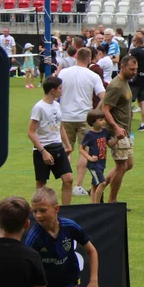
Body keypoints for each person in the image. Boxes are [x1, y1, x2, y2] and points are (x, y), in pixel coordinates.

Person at [57, 48, 107, 196]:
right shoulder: (92, 75)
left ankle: (66, 180)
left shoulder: (64, 73)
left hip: (65, 116)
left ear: (76, 57)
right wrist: (95, 111)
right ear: (89, 58)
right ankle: (78, 185)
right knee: (84, 151)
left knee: (67, 149)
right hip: (84, 117)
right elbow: (104, 96)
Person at [27, 76, 74, 206]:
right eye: (60, 88)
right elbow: (30, 132)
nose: (62, 91)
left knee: (68, 179)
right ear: (52, 90)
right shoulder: (39, 108)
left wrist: (68, 145)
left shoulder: (57, 105)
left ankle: (66, 211)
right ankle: (38, 210)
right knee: (41, 184)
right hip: (43, 149)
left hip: (58, 147)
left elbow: (61, 126)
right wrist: (43, 152)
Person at [102, 55, 137, 202]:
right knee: (122, 166)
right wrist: (116, 128)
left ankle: (100, 185)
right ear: (122, 67)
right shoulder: (116, 85)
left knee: (128, 164)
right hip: (117, 133)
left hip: (126, 132)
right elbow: (105, 109)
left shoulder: (125, 82)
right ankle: (112, 201)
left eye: (136, 69)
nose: (134, 72)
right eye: (131, 69)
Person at [80, 109, 115, 203]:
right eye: (100, 120)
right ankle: (97, 205)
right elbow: (81, 148)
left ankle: (93, 204)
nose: (103, 121)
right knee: (102, 183)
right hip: (94, 164)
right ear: (92, 122)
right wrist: (89, 158)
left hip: (102, 162)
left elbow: (110, 144)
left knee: (95, 184)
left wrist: (118, 139)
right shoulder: (89, 134)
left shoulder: (104, 131)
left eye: (103, 119)